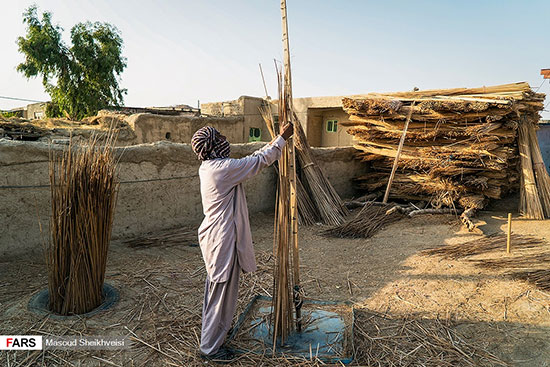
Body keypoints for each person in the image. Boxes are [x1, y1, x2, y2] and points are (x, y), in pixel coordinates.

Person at [191, 124, 294, 361]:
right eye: (220, 138)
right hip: (222, 239)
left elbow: (252, 159)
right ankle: (209, 349)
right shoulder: (221, 170)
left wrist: (276, 140)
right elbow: (257, 162)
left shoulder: (209, 167)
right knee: (221, 293)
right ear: (214, 145)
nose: (225, 140)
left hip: (218, 237)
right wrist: (281, 139)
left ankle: (213, 338)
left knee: (217, 291)